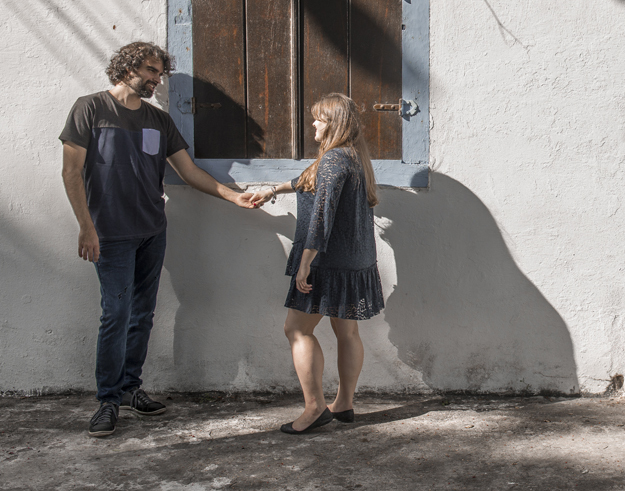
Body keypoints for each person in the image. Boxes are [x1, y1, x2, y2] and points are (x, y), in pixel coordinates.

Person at [60, 42, 257, 438]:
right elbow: (71, 172)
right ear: (127, 67)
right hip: (109, 234)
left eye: (159, 74)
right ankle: (108, 400)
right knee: (114, 315)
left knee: (142, 314)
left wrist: (232, 196)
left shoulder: (158, 120)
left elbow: (187, 172)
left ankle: (131, 388)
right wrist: (86, 226)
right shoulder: (90, 108)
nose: (156, 79)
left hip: (151, 230)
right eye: (150, 70)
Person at [248, 93, 384, 435]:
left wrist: (306, 261)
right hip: (356, 260)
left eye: (319, 119)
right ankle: (344, 404)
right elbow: (308, 182)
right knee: (347, 331)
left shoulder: (333, 160)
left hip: (327, 261)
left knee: (297, 330)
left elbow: (322, 215)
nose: (313, 124)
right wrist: (274, 189)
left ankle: (314, 408)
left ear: (334, 123)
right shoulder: (353, 157)